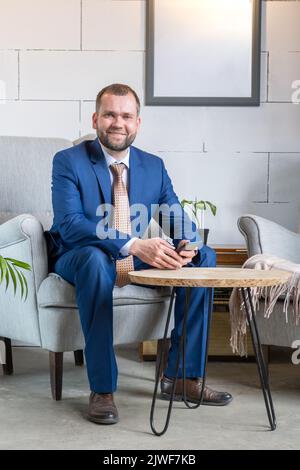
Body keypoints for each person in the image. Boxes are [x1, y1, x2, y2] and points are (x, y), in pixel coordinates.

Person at [46, 83, 232, 425]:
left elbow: (175, 217)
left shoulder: (153, 167)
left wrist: (185, 246)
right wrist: (133, 244)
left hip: (129, 257)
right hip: (79, 255)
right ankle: (102, 390)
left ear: (138, 123)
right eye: (110, 114)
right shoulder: (69, 161)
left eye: (126, 115)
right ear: (96, 119)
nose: (118, 122)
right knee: (94, 260)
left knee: (204, 256)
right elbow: (70, 224)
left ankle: (180, 377)